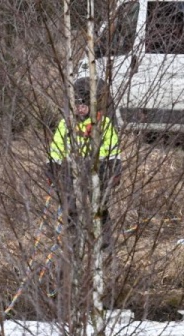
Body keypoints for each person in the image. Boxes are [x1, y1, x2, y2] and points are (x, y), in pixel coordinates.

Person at [46, 78, 122, 248]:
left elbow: (113, 149)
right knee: (69, 206)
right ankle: (72, 242)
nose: (80, 109)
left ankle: (104, 243)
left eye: (83, 105)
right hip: (71, 170)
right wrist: (52, 167)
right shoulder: (66, 124)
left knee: (99, 207)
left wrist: (115, 169)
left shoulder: (103, 124)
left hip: (97, 168)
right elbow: (56, 148)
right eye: (77, 105)